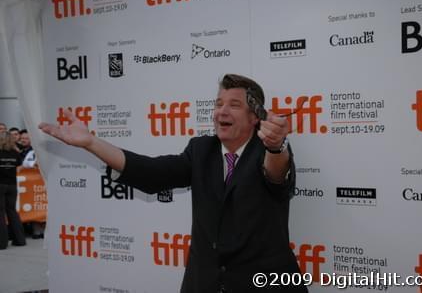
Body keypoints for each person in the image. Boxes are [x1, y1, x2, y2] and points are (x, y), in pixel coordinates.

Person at [39, 74, 308, 292]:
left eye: (234, 105)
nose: (220, 112)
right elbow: (153, 173)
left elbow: (276, 176)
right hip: (204, 284)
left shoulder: (268, 151)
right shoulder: (201, 149)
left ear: (255, 117)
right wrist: (91, 142)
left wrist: (276, 146)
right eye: (218, 103)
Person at [0, 132, 27, 249]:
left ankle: (2, 243)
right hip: (12, 185)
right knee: (12, 211)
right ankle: (19, 240)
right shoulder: (16, 153)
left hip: (0, 185)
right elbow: (20, 167)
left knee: (0, 212)